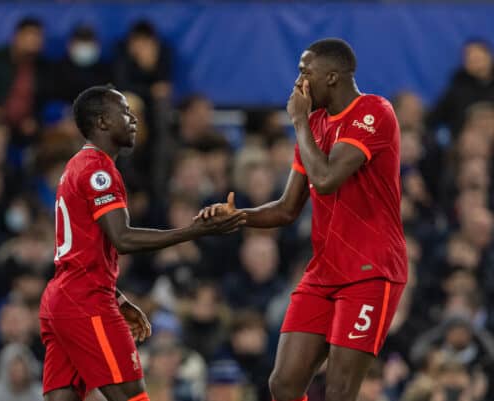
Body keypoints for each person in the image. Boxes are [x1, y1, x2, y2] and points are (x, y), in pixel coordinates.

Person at [196, 38, 407, 401]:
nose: (299, 83)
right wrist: (237, 217)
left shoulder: (374, 111)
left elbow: (325, 180)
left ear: (332, 77)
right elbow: (286, 209)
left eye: (305, 72)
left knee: (339, 391)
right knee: (284, 384)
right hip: (324, 272)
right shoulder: (314, 127)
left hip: (371, 271)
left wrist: (297, 122)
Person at [38, 85, 247, 401]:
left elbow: (87, 250)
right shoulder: (99, 170)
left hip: (64, 297)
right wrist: (194, 230)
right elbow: (122, 238)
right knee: (131, 394)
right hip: (85, 301)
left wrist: (119, 299)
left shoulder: (75, 167)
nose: (134, 119)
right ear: (102, 122)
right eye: (124, 111)